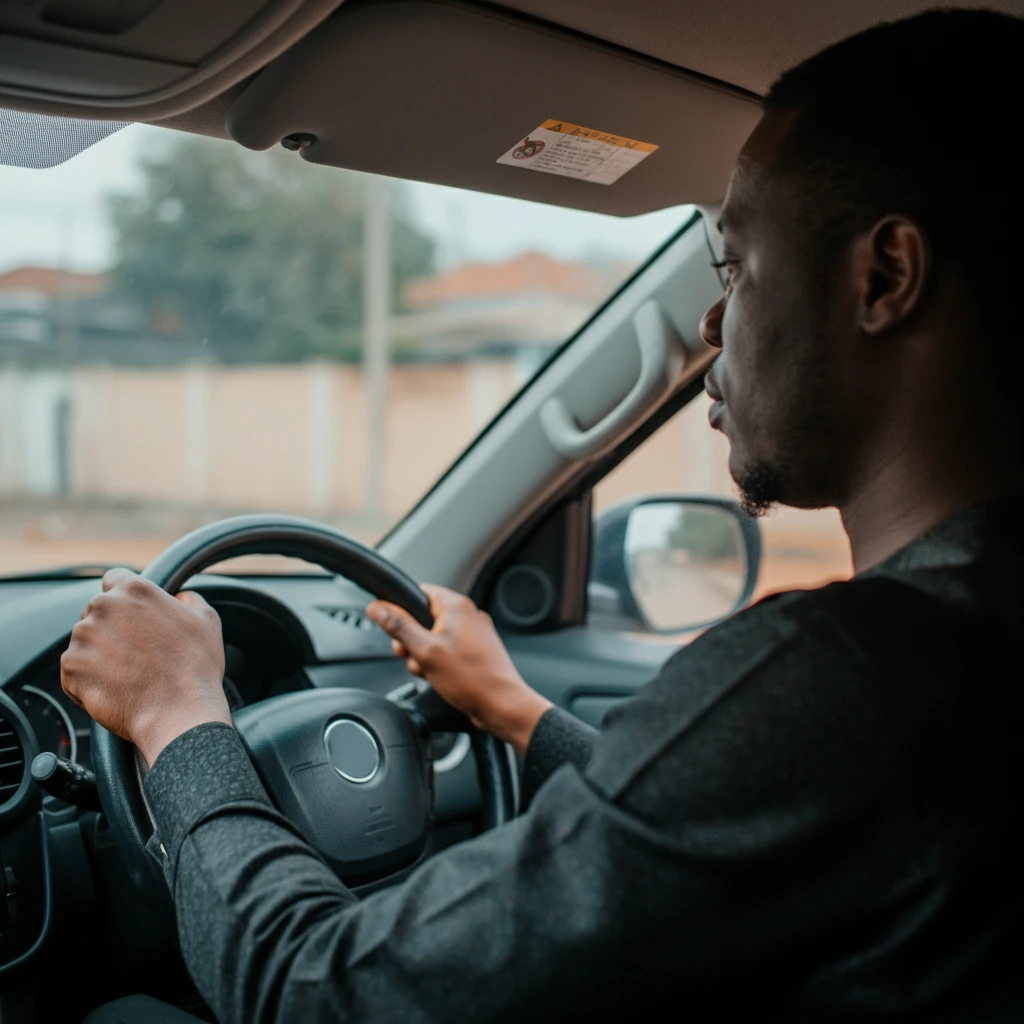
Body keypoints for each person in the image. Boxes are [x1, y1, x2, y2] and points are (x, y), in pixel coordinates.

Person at [72, 8, 1023, 1023]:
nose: (712, 324)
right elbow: (726, 824)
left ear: (885, 276)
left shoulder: (850, 675)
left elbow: (317, 996)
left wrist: (180, 716)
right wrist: (517, 711)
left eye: (736, 265)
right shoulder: (957, 654)